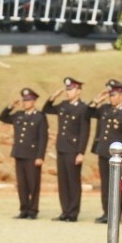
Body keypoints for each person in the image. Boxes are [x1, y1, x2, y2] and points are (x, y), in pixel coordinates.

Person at [86, 79, 122, 223]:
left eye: (114, 95)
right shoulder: (105, 108)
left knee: (116, 185)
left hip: (117, 155)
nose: (111, 98)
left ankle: (115, 214)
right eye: (110, 95)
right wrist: (97, 99)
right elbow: (88, 112)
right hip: (103, 151)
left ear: (121, 95)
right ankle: (106, 212)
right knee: (105, 184)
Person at [42, 76, 90, 221]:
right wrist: (53, 97)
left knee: (73, 181)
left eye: (71, 89)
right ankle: (65, 211)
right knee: (63, 182)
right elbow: (46, 109)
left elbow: (84, 132)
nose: (68, 92)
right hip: (61, 147)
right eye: (67, 90)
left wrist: (81, 152)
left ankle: (73, 213)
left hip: (74, 149)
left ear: (79, 91)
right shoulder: (63, 105)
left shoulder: (83, 108)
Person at [0, 87, 49, 219]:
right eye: (24, 100)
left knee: (33, 184)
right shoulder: (18, 115)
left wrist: (40, 156)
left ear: (34, 101)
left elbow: (43, 138)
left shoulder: (40, 117)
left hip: (32, 155)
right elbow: (2, 117)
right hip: (19, 153)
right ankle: (24, 209)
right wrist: (10, 106)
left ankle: (33, 210)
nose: (25, 102)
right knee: (22, 185)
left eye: (28, 100)